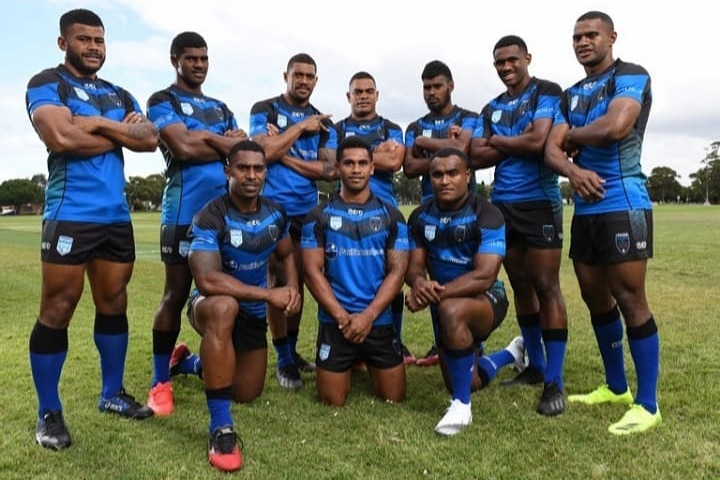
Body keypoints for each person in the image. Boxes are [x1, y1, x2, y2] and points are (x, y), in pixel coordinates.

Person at [25, 8, 158, 450]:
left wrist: (99, 123)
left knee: (114, 302)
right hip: (70, 213)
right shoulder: (47, 83)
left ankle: (112, 394)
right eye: (84, 40)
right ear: (64, 43)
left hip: (115, 217)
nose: (94, 48)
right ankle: (48, 412)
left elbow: (150, 139)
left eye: (99, 40)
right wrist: (121, 132)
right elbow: (60, 138)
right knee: (59, 307)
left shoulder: (118, 93)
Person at [544, 11, 661, 434]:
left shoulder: (631, 75)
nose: (582, 42)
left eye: (591, 34)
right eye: (576, 36)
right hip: (585, 208)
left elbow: (615, 127)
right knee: (595, 298)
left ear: (611, 36)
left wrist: (572, 137)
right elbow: (550, 151)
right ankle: (616, 387)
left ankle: (647, 405)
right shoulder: (570, 93)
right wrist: (573, 173)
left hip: (622, 200)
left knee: (630, 298)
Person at [144, 31, 247, 416]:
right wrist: (219, 141)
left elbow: (240, 150)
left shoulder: (220, 107)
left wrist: (206, 137)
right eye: (191, 59)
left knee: (224, 297)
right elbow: (182, 148)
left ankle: (194, 360)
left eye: (204, 59)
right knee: (175, 294)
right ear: (175, 60)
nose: (199, 65)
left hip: (224, 216)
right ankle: (160, 382)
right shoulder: (162, 100)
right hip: (183, 213)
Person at [186, 140, 301, 472]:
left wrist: (291, 286)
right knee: (224, 307)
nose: (251, 175)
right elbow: (207, 280)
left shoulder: (275, 213)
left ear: (265, 172)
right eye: (243, 168)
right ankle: (221, 428)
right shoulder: (210, 215)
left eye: (258, 168)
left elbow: (285, 254)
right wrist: (269, 296)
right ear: (228, 172)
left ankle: (192, 363)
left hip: (250, 313)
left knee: (247, 391)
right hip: (208, 305)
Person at [469, 35, 568, 416]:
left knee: (546, 286)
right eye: (499, 63)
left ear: (527, 57)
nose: (506, 68)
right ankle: (536, 366)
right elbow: (476, 154)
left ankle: (554, 380)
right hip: (503, 205)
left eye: (512, 60)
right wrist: (517, 140)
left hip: (540, 202)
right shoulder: (491, 106)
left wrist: (499, 140)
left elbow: (540, 141)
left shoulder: (547, 92)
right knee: (522, 286)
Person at [405, 148, 524, 436]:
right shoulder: (421, 216)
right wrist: (419, 284)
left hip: (487, 300)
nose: (444, 180)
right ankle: (512, 353)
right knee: (467, 379)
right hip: (442, 300)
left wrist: (431, 294)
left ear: (467, 176)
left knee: (451, 309)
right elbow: (414, 267)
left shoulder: (487, 213)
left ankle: (461, 408)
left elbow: (485, 276)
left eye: (452, 173)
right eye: (437, 174)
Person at [249, 53, 338, 390]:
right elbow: (260, 151)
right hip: (271, 208)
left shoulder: (325, 122)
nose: (303, 81)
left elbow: (329, 172)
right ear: (285, 75)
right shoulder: (265, 109)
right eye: (297, 75)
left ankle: (293, 351)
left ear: (316, 80)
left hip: (308, 211)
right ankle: (284, 360)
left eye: (309, 76)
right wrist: (299, 129)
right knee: (278, 280)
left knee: (299, 282)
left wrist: (281, 148)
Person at [301, 136, 408, 406]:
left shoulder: (391, 216)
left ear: (373, 167)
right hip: (336, 322)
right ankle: (352, 357)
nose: (356, 169)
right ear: (337, 168)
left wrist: (368, 317)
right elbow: (312, 272)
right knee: (332, 400)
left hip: (378, 320)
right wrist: (341, 317)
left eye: (362, 163)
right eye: (349, 163)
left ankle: (362, 357)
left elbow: (397, 272)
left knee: (393, 397)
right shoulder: (318, 216)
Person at [334, 71, 414, 365]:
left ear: (377, 95)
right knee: (347, 276)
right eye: (358, 92)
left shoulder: (391, 127)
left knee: (393, 276)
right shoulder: (337, 127)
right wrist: (374, 152)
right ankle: (348, 336)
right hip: (344, 212)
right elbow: (331, 164)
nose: (363, 96)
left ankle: (395, 340)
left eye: (369, 91)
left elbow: (395, 162)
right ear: (349, 96)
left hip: (385, 212)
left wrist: (358, 155)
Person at [403, 60, 479, 367]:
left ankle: (474, 344)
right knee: (434, 275)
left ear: (451, 86)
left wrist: (425, 144)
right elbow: (409, 167)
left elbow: (462, 153)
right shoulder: (414, 126)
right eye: (426, 87)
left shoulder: (470, 117)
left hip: (465, 211)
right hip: (428, 211)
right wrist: (447, 145)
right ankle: (441, 344)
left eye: (437, 86)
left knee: (468, 274)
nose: (431, 92)